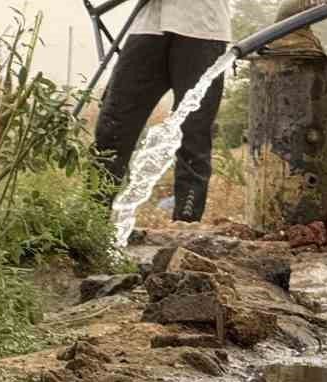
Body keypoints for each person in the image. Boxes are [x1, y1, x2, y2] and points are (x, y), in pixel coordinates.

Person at [93, 0, 233, 223]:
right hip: (148, 25)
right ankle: (92, 218)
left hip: (202, 25)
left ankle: (185, 224)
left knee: (193, 130)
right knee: (113, 126)